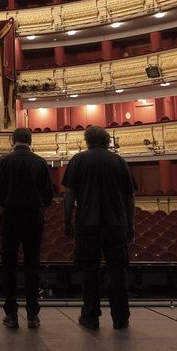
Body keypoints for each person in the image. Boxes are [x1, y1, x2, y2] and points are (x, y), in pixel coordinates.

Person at [62, 126, 136, 331]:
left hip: (87, 224)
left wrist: (67, 222)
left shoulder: (78, 160)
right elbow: (130, 197)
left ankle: (90, 316)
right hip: (115, 224)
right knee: (118, 272)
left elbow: (70, 195)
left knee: (89, 273)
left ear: (87, 140)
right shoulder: (119, 161)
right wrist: (130, 224)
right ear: (107, 141)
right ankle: (121, 318)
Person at [0, 127, 53, 329]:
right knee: (32, 266)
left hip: (11, 216)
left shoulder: (3, 161)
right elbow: (48, 197)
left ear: (12, 140)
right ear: (30, 140)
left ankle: (12, 314)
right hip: (34, 216)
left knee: (9, 266)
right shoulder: (40, 162)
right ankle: (33, 314)